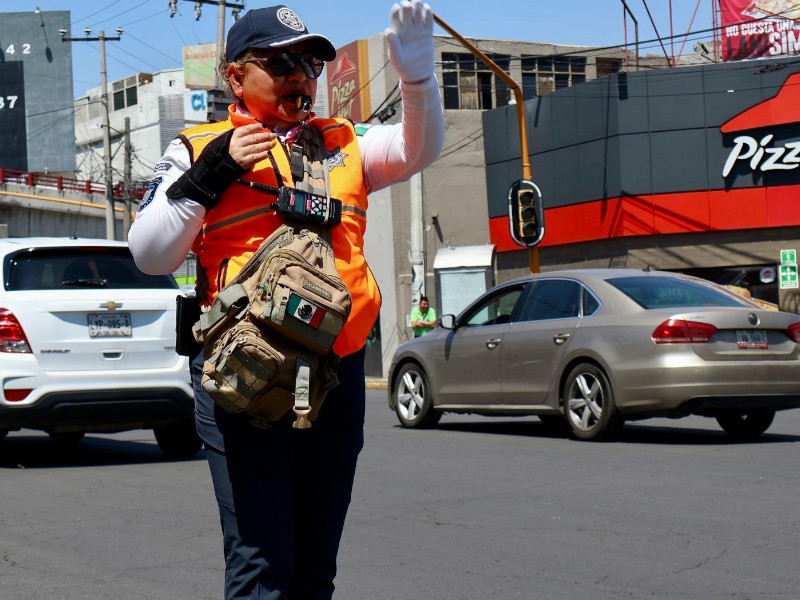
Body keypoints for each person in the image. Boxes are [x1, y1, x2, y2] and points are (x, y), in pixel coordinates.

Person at [128, 1, 444, 598]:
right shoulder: (199, 149)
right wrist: (210, 174)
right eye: (280, 62)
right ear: (235, 77)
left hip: (336, 373)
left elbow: (413, 150)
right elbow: (150, 253)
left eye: (310, 63)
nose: (300, 74)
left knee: (315, 564)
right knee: (261, 562)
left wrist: (419, 76)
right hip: (243, 377)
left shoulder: (343, 142)